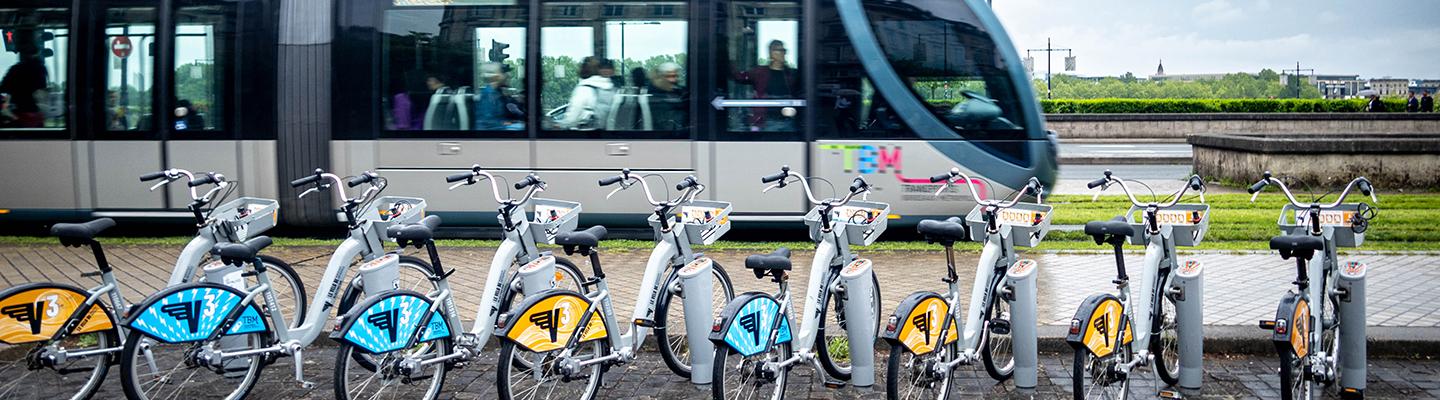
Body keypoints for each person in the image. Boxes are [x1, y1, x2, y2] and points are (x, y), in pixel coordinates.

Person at [734, 40, 798, 131]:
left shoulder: (790, 73)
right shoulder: (760, 72)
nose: (784, 53)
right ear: (772, 53)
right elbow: (739, 77)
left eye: (784, 50)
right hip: (768, 122)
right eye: (781, 50)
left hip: (788, 120)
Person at [0, 30, 50, 128]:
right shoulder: (41, 68)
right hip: (34, 114)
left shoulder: (15, 69)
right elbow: (42, 90)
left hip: (20, 113)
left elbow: (3, 87)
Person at [557, 58, 617, 130]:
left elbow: (571, 119)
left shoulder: (584, 89)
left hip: (587, 136)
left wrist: (559, 125)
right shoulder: (611, 87)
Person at [473, 62, 524, 131]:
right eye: (502, 72)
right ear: (496, 77)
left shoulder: (496, 92)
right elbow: (487, 122)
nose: (507, 75)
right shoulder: (489, 94)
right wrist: (504, 124)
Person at [648, 62, 688, 131]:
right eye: (669, 76)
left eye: (675, 76)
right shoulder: (655, 99)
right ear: (660, 78)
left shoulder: (680, 93)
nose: (673, 80)